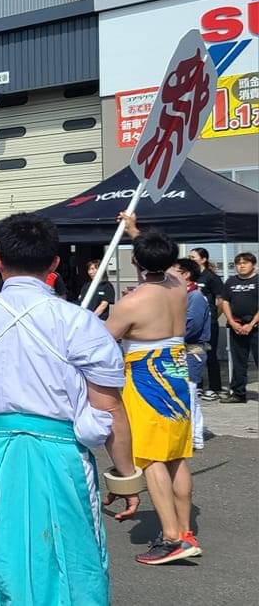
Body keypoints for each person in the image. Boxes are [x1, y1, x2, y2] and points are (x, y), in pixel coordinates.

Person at [0, 213, 139, 604]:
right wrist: (127, 477)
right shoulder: (80, 323)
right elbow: (110, 408)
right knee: (74, 556)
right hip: (63, 455)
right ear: (54, 262)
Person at [105, 213, 200, 564]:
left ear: (134, 260)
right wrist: (134, 230)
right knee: (177, 456)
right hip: (176, 369)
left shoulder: (132, 302)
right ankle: (185, 530)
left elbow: (102, 340)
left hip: (147, 376)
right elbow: (161, 259)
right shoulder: (178, 283)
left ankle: (173, 537)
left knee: (151, 457)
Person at [173, 259, 209, 450]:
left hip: (192, 349)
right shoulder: (182, 295)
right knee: (185, 393)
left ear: (186, 274)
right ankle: (191, 434)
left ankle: (195, 437)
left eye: (175, 271)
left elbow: (192, 327)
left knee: (190, 393)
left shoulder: (194, 296)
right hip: (182, 349)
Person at [221, 252, 258, 404]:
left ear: (253, 264)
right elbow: (225, 302)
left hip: (255, 327)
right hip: (236, 326)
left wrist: (252, 324)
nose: (241, 266)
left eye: (245, 263)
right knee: (238, 362)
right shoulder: (230, 281)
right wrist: (232, 321)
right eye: (238, 263)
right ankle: (238, 393)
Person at [189, 248, 224, 400]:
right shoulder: (192, 277)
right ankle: (198, 385)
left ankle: (214, 387)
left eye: (193, 257)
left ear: (203, 259)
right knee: (195, 353)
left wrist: (214, 316)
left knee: (210, 354)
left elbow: (221, 300)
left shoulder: (211, 277)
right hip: (194, 322)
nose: (190, 259)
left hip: (209, 322)